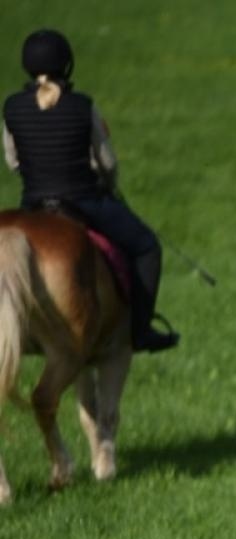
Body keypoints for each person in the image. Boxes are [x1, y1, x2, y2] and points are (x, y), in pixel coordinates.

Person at [3, 28, 179, 352]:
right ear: (67, 65)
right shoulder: (83, 106)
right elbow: (107, 162)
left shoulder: (12, 108)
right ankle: (140, 332)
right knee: (147, 247)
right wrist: (108, 185)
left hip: (33, 204)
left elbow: (13, 160)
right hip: (84, 201)